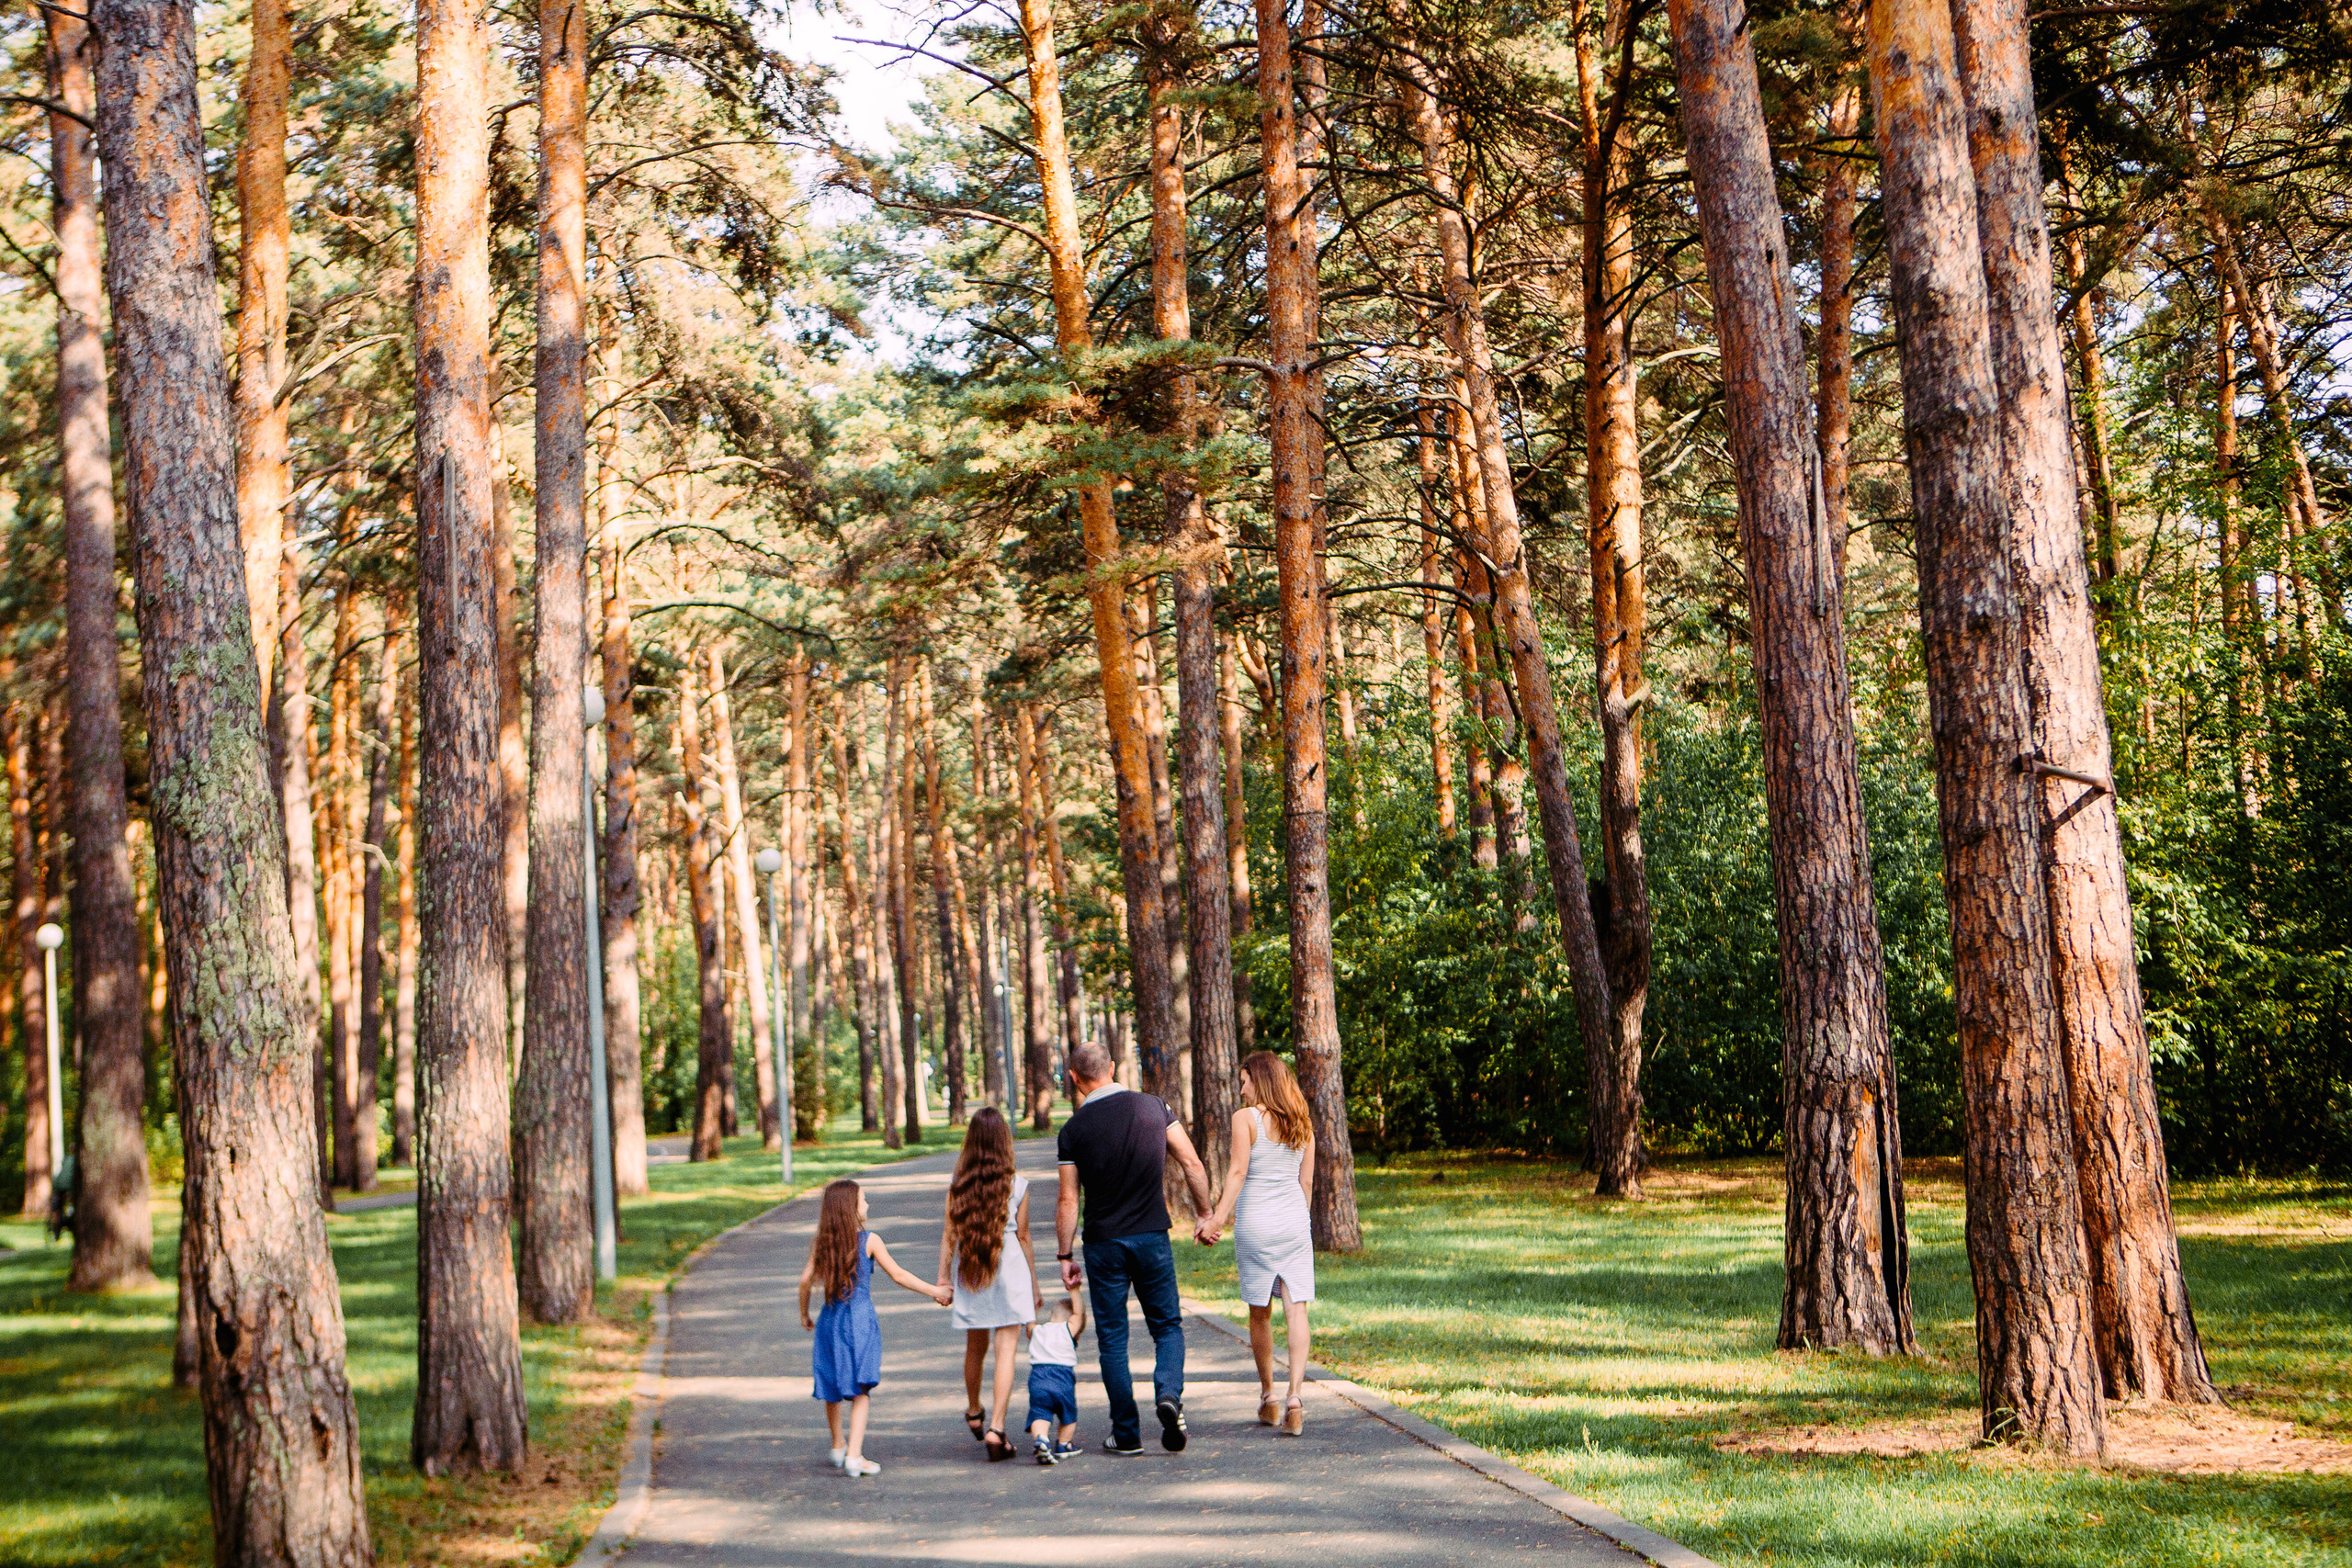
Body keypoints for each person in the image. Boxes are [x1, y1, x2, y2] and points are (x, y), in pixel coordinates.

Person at [1055, 1038, 1215, 1456]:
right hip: (1151, 1238)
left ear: (1074, 1079)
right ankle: (1168, 1395)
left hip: (1103, 1243)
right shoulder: (1154, 1107)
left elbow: (1069, 1199)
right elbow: (1192, 1163)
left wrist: (1065, 1254)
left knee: (1112, 1338)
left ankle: (1126, 1434)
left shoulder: (1073, 1131)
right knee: (1166, 1326)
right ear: (1113, 1066)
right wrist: (1205, 1213)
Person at [798, 1178, 953, 1477]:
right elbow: (898, 1275)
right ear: (850, 1209)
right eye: (863, 1200)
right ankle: (855, 1456)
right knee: (861, 1390)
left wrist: (804, 1313)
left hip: (829, 1321)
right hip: (858, 1323)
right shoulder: (869, 1240)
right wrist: (936, 1291)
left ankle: (838, 1446)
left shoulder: (822, 1244)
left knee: (831, 1383)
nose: (867, 1205)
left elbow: (805, 1281)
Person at [1197, 1050, 1317, 1435]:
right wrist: (1303, 1222)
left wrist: (1216, 1219)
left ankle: (1269, 1396)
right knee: (1296, 1309)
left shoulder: (1245, 1119)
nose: (1242, 1087)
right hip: (1295, 1222)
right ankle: (1295, 1398)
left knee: (1259, 1312)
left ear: (1260, 1079)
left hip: (1257, 1223)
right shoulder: (1303, 1123)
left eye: (1245, 1079)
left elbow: (1238, 1171)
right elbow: (1307, 1183)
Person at [937, 1105, 1035, 1461]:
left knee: (974, 1348)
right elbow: (1023, 1238)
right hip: (1008, 1266)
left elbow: (950, 1236)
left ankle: (975, 1409)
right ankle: (997, 1427)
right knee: (1006, 1350)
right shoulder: (1017, 1185)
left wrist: (943, 1278)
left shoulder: (957, 1186)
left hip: (973, 1270)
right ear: (1004, 1142)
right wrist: (1034, 1287)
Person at [1023, 1290, 1089, 1465]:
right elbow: (1078, 1314)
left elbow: (1029, 1324)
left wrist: (1033, 1307)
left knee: (1040, 1412)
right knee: (1068, 1413)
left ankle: (1042, 1439)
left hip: (1037, 1378)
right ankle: (1063, 1445)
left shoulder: (1037, 1330)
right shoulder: (1068, 1328)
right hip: (1061, 1378)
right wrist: (1074, 1289)